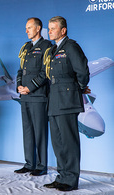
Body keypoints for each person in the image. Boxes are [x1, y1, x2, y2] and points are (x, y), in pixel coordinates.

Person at [42, 16, 90, 191]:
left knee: (69, 142)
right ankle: (62, 176)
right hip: (54, 101)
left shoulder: (71, 47)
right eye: (49, 28)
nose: (50, 31)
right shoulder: (55, 49)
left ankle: (71, 180)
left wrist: (80, 88)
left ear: (63, 30)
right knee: (58, 142)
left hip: (67, 101)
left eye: (53, 28)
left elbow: (82, 72)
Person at [15, 17, 51, 176]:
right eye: (26, 28)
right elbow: (20, 70)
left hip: (38, 96)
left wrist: (29, 87)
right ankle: (29, 163)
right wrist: (19, 86)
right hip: (25, 97)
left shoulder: (46, 47)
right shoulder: (26, 48)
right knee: (27, 131)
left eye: (29, 27)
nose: (26, 30)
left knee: (40, 131)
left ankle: (41, 165)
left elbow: (45, 73)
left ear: (38, 28)